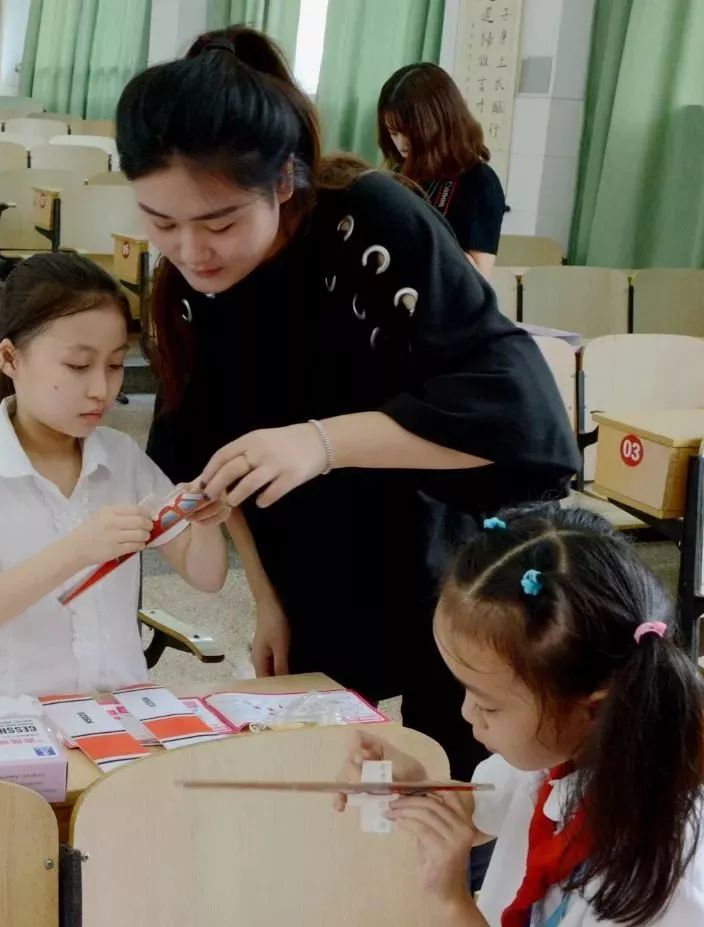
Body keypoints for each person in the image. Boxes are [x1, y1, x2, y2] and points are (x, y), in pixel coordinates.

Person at [114, 28, 579, 779]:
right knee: (322, 777)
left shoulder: (371, 221)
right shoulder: (186, 290)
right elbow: (215, 461)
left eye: (222, 222)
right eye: (161, 223)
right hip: (310, 569)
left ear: (285, 182)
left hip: (435, 557)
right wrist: (264, 598)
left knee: (452, 778)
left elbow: (522, 422)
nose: (192, 251)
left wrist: (321, 442)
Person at [335, 507, 704, 926]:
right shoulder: (558, 755)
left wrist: (452, 902)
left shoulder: (669, 885)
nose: (466, 713)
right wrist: (414, 788)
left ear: (591, 706)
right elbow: (478, 808)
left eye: (488, 704)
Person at [0, 252, 229, 705]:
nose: (101, 389)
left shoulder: (122, 459)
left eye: (114, 365)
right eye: (77, 366)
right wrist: (75, 550)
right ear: (10, 358)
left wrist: (204, 520)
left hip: (117, 716)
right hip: (8, 725)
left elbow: (206, 577)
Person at [378, 62, 505, 280]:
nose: (401, 144)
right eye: (393, 132)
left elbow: (477, 279)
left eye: (409, 133)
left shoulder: (479, 181)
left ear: (438, 124)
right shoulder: (399, 176)